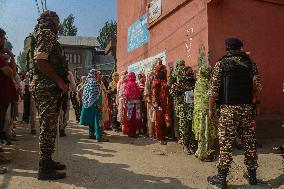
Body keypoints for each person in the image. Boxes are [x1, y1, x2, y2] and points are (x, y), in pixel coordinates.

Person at [207, 38, 262, 188]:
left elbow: (213, 90)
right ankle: (252, 177)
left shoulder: (221, 64)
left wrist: (210, 108)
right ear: (240, 48)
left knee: (226, 144)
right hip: (246, 109)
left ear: (227, 48)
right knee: (249, 143)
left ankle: (221, 178)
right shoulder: (251, 64)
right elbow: (257, 87)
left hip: (228, 110)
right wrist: (256, 104)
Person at [30, 10, 68, 180]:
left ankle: (47, 161)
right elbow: (40, 60)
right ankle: (44, 169)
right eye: (58, 21)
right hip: (46, 87)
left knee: (51, 125)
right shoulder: (46, 33)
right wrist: (59, 81)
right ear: (51, 20)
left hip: (46, 87)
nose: (59, 24)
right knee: (48, 125)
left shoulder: (44, 33)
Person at [0, 27, 17, 174]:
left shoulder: (2, 56)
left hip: (4, 98)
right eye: (3, 38)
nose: (4, 41)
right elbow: (10, 73)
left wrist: (11, 55)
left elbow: (13, 71)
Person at [192, 64, 218, 161]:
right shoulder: (206, 83)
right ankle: (203, 154)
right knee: (205, 133)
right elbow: (209, 96)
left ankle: (199, 151)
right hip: (205, 111)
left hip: (199, 111)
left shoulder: (199, 81)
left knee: (202, 132)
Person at [170, 65, 196, 154]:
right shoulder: (179, 82)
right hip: (183, 109)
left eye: (191, 71)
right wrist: (180, 96)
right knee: (184, 127)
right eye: (188, 71)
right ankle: (185, 145)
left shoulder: (194, 82)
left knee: (191, 127)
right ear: (184, 72)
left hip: (192, 108)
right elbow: (172, 92)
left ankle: (191, 145)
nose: (190, 73)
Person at [80, 69, 109, 142]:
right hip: (96, 104)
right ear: (94, 74)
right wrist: (98, 103)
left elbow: (82, 93)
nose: (99, 75)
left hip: (88, 104)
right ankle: (99, 137)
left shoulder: (87, 83)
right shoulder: (95, 83)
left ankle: (91, 134)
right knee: (98, 120)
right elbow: (95, 95)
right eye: (97, 74)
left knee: (92, 120)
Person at [151, 61, 171, 145]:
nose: (164, 72)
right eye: (161, 70)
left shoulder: (165, 81)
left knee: (165, 120)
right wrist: (156, 104)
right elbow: (154, 95)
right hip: (159, 104)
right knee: (158, 121)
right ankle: (159, 138)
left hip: (165, 104)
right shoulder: (156, 83)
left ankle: (163, 136)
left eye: (164, 70)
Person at [168, 60, 186, 141]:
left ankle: (178, 135)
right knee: (183, 116)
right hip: (186, 97)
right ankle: (182, 135)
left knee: (177, 117)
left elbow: (169, 84)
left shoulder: (175, 72)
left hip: (177, 97)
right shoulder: (186, 71)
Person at [59, 68, 76, 137]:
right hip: (66, 94)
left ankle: (59, 125)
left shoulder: (55, 71)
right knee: (65, 111)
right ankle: (62, 128)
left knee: (58, 111)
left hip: (56, 94)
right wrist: (74, 91)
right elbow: (73, 85)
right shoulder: (69, 73)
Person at [125, 72, 141, 138]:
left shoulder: (127, 85)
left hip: (129, 103)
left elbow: (126, 94)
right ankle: (134, 133)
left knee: (130, 117)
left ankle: (130, 132)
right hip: (136, 103)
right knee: (135, 118)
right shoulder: (135, 84)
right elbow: (139, 93)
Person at [144, 61, 158, 138]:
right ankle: (151, 133)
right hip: (151, 97)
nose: (160, 64)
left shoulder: (160, 73)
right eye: (158, 63)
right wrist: (148, 97)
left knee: (157, 115)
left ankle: (157, 133)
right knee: (151, 115)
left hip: (158, 98)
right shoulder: (150, 74)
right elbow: (147, 86)